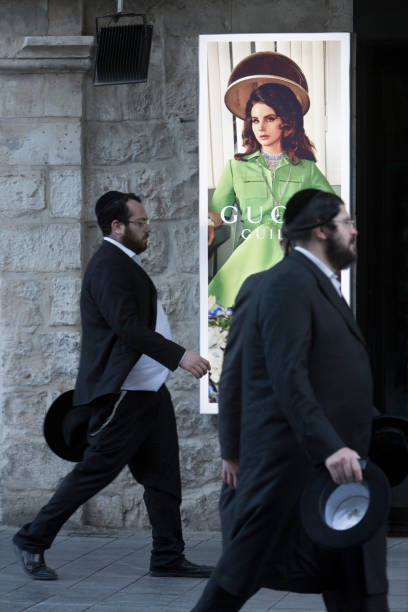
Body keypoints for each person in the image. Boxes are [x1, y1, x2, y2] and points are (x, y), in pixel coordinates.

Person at [193, 189, 389, 612]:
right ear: (321, 230)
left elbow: (329, 376)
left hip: (334, 469)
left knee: (360, 586)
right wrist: (328, 446)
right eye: (346, 223)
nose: (354, 231)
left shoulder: (321, 284)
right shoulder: (285, 284)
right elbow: (287, 377)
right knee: (234, 580)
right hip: (293, 470)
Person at [13, 191, 213, 581]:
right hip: (124, 393)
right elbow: (128, 329)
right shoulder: (109, 267)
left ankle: (168, 557)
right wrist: (180, 356)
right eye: (140, 222)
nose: (148, 227)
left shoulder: (124, 264)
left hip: (149, 390)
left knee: (164, 478)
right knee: (94, 473)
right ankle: (32, 539)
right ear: (117, 226)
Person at [208, 82, 333, 310]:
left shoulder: (307, 169)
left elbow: (332, 212)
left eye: (270, 118)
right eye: (255, 120)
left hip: (293, 252)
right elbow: (217, 213)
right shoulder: (236, 168)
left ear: (287, 122)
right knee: (264, 233)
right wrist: (207, 223)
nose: (261, 127)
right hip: (251, 255)